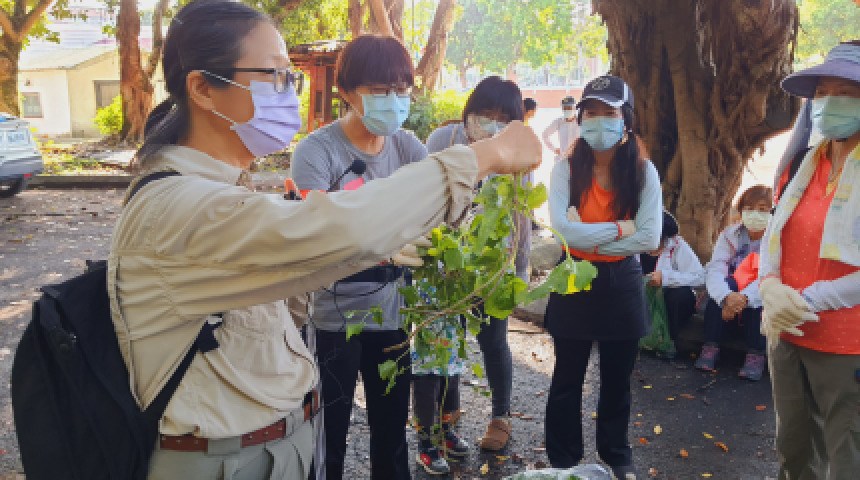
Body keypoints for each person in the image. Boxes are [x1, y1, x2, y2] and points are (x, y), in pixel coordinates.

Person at [109, 1, 543, 478]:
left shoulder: (225, 188)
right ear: (203, 88)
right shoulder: (180, 205)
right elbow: (346, 228)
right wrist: (485, 155)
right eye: (274, 75)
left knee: (387, 433)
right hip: (219, 462)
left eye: (289, 77)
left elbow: (312, 263)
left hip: (259, 450)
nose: (288, 92)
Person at [289, 35, 427, 480]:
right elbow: (319, 232)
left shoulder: (408, 148)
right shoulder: (317, 152)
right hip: (334, 317)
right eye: (380, 90)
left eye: (401, 90)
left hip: (392, 314)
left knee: (392, 433)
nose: (394, 100)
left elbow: (434, 210)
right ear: (346, 92)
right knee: (327, 433)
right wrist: (387, 240)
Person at [543, 75, 662, 480]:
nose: (597, 121)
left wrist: (587, 235)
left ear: (625, 118)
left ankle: (616, 453)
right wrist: (621, 229)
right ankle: (563, 461)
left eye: (608, 112)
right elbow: (561, 233)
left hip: (622, 284)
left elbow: (649, 238)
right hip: (573, 279)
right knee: (567, 378)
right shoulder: (565, 169)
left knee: (616, 380)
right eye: (590, 112)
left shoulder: (643, 172)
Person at [760, 40, 860, 479]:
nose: (829, 101)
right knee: (794, 449)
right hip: (786, 332)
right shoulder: (804, 161)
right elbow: (774, 232)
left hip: (845, 344)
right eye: (822, 92)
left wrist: (809, 299)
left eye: (845, 91)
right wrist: (768, 284)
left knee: (847, 457)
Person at [425, 75, 529, 451]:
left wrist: (520, 271)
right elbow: (424, 198)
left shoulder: (517, 153)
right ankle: (445, 419)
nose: (493, 124)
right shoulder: (443, 140)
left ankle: (501, 417)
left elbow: (520, 215)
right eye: (486, 114)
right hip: (445, 261)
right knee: (445, 342)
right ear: (469, 113)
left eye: (504, 118)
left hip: (492, 265)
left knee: (494, 342)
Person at [695, 185, 771, 380]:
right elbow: (716, 267)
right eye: (749, 208)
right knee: (721, 288)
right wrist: (726, 296)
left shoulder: (776, 239)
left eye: (763, 209)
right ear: (741, 210)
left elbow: (769, 274)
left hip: (759, 289)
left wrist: (744, 298)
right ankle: (710, 346)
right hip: (732, 290)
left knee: (764, 297)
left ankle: (756, 354)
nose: (755, 214)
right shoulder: (730, 235)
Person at [410, 309, 470, 474]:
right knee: (427, 390)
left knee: (450, 382)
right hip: (427, 330)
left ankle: (444, 431)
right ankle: (425, 445)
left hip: (451, 328)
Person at [639, 210, 705, 359]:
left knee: (679, 295)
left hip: (669, 304)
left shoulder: (678, 246)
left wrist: (666, 277)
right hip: (640, 300)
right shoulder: (633, 247)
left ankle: (669, 341)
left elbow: (700, 277)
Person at [542, 95, 579, 160]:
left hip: (578, 158)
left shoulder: (581, 122)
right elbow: (545, 135)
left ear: (575, 108)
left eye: (569, 108)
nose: (567, 110)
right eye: (565, 108)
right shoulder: (559, 122)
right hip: (563, 159)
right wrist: (554, 149)